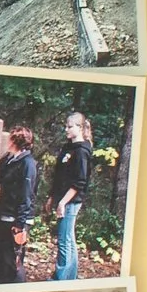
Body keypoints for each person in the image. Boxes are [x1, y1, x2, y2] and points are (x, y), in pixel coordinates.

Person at [0, 122, 38, 281]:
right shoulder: (12, 160)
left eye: (10, 140)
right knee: (3, 258)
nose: (7, 142)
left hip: (16, 220)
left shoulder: (28, 164)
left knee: (13, 261)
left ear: (16, 142)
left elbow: (26, 196)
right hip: (6, 216)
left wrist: (20, 225)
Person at [52, 107, 95, 278]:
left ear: (79, 127)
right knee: (68, 238)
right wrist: (52, 197)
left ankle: (60, 279)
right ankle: (70, 277)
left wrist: (63, 202)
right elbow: (59, 175)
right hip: (63, 198)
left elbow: (80, 182)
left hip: (71, 201)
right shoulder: (68, 148)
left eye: (70, 126)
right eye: (66, 126)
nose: (66, 129)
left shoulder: (82, 151)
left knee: (64, 240)